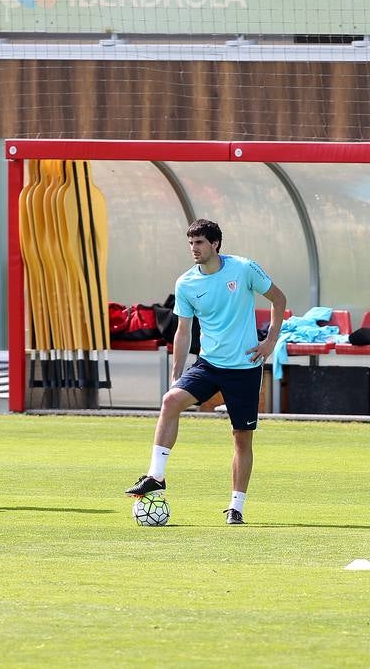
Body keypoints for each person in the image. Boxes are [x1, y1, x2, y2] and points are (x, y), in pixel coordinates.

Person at [124, 219, 287, 525]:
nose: (194, 249)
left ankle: (236, 507)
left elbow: (279, 299)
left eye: (199, 243)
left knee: (241, 438)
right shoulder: (185, 283)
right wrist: (176, 374)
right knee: (171, 401)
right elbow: (183, 332)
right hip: (209, 365)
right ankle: (155, 476)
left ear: (215, 244)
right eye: (190, 243)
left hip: (244, 368)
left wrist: (269, 343)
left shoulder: (243, 268)